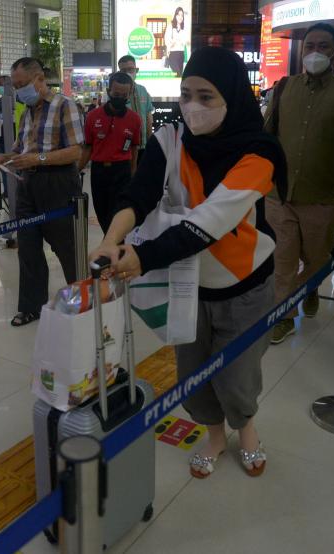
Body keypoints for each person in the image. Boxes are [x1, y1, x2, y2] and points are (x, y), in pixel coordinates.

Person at [90, 47, 287, 479]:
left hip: (245, 285)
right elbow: (138, 195)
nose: (192, 106)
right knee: (194, 375)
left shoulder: (259, 153)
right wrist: (110, 239)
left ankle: (246, 428)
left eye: (206, 97)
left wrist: (140, 257)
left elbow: (207, 224)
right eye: (186, 94)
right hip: (188, 283)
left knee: (238, 376)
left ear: (232, 98)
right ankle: (214, 435)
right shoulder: (170, 140)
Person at [263, 23, 334, 344]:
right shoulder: (283, 89)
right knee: (282, 263)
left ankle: (310, 289)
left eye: (323, 46)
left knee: (318, 259)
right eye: (310, 46)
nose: (315, 52)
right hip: (279, 195)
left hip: (322, 197)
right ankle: (284, 317)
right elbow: (267, 137)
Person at [0, 57, 84, 327]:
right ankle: (31, 307)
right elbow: (23, 151)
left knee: (68, 250)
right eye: (15, 87)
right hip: (27, 187)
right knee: (28, 249)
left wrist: (38, 160)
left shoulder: (65, 106)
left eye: (22, 84)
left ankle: (81, 303)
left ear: (40, 79)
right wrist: (5, 157)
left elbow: (76, 151)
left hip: (58, 184)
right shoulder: (27, 112)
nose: (19, 92)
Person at [78, 72, 141, 232]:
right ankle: (111, 247)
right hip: (99, 172)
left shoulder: (134, 119)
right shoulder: (92, 116)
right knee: (102, 214)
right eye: (116, 94)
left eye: (124, 95)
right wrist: (75, 170)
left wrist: (133, 175)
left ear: (129, 94)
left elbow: (134, 148)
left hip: (122, 172)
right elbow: (88, 147)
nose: (120, 97)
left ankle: (114, 249)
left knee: (118, 215)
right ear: (108, 91)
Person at [118, 55, 156, 162]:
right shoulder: (116, 93)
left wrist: (150, 143)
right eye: (123, 70)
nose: (127, 73)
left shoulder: (143, 90)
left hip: (143, 146)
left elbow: (148, 118)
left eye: (130, 69)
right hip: (124, 148)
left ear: (136, 70)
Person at [165, 7, 189, 77]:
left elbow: (186, 41)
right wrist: (173, 41)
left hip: (181, 54)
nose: (180, 17)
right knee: (177, 74)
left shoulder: (184, 28)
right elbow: (167, 39)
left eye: (182, 15)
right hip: (173, 54)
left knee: (180, 76)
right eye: (178, 15)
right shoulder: (171, 26)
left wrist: (182, 41)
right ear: (175, 15)